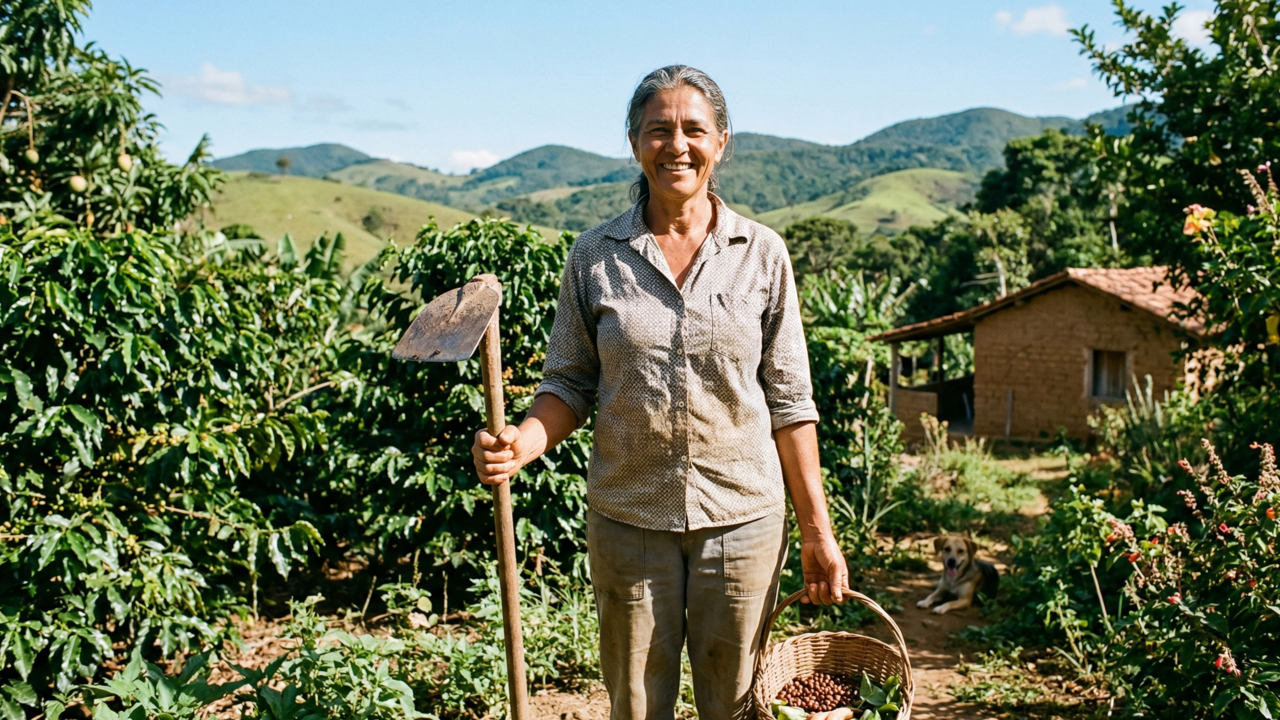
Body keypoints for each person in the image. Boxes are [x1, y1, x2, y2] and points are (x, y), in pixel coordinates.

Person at [472, 65, 848, 720]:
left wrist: (817, 530)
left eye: (693, 130)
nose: (677, 145)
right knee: (637, 704)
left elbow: (791, 402)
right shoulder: (595, 256)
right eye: (658, 130)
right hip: (630, 521)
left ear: (721, 142)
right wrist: (521, 443)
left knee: (737, 703)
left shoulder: (762, 254)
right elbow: (569, 381)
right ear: (634, 142)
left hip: (741, 522)